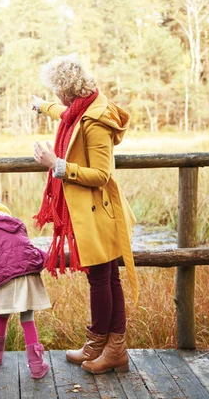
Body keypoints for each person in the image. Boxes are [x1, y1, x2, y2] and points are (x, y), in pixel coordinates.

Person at [31, 54, 138, 375]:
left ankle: (111, 348)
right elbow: (66, 116)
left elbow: (102, 175)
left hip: (100, 213)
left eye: (54, 92)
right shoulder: (82, 110)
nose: (55, 98)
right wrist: (41, 107)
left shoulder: (96, 121)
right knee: (105, 278)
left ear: (66, 89)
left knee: (102, 280)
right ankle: (103, 346)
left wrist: (57, 165)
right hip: (90, 214)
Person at [0, 197, 52, 379]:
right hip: (28, 274)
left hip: (6, 276)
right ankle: (37, 365)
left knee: (3, 314)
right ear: (6, 214)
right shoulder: (19, 224)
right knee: (27, 318)